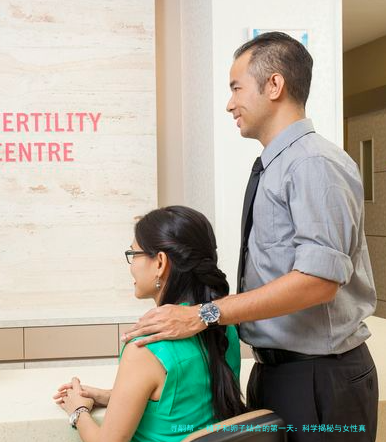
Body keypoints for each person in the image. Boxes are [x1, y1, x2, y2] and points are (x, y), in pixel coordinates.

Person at [123, 32, 378, 441]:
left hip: (318, 378)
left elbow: (319, 280)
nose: (229, 104)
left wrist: (204, 314)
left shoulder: (312, 163)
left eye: (236, 88)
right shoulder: (277, 166)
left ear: (274, 85)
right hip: (276, 373)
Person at [53, 206, 246, 442]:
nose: (131, 265)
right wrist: (110, 396)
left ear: (160, 263)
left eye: (134, 254)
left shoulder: (146, 347)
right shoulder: (223, 329)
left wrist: (78, 410)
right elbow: (182, 406)